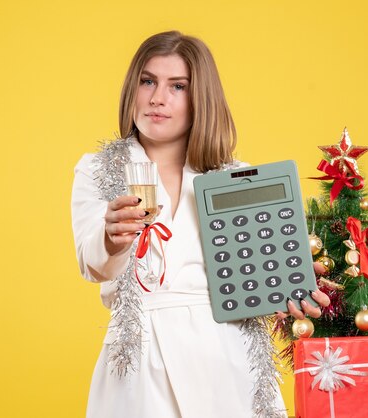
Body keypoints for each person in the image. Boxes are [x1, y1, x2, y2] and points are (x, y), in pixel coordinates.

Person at [71, 31, 330, 418]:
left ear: (201, 99)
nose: (158, 98)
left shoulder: (240, 178)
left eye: (178, 86)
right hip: (139, 360)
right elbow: (93, 264)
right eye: (148, 81)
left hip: (226, 360)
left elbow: (254, 273)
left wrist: (284, 285)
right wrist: (112, 238)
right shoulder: (99, 169)